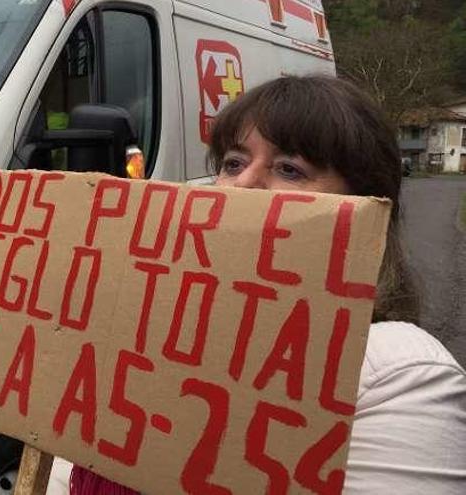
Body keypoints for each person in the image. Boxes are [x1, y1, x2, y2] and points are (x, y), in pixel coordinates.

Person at [48, 76, 466, 494]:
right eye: (233, 163)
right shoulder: (160, 328)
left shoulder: (399, 373)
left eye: (290, 169)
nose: (243, 185)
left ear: (364, 211)